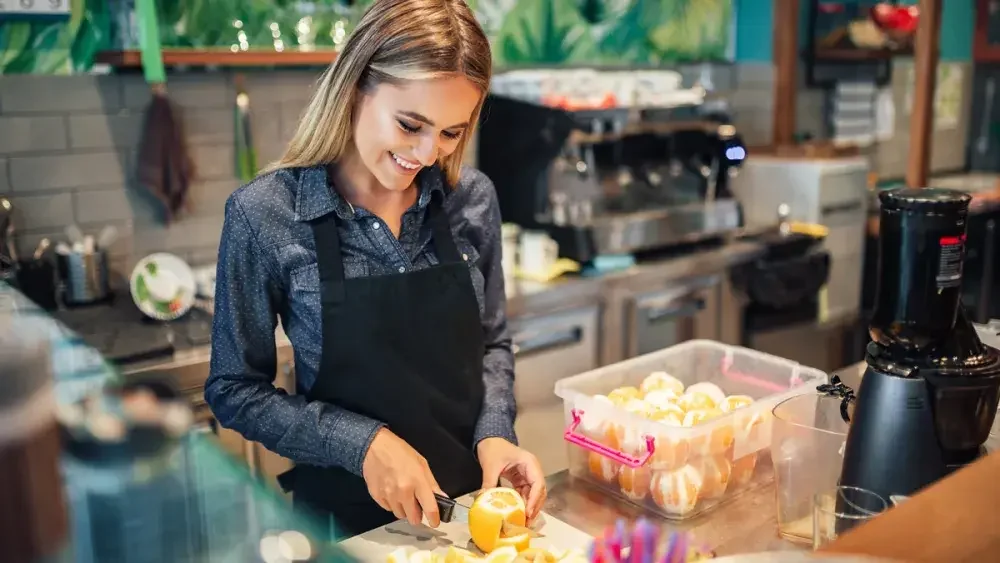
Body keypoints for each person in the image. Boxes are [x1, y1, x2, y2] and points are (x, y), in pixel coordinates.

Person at [204, 0, 545, 540]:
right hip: (342, 530)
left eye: (453, 132)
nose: (428, 153)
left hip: (467, 518)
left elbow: (492, 344)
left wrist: (496, 434)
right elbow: (233, 388)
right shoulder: (264, 213)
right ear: (355, 86)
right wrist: (362, 443)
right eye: (411, 124)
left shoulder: (472, 198)